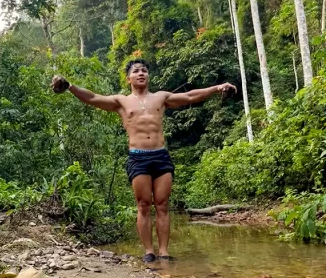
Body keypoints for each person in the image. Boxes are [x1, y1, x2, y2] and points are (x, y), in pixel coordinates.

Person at [51, 59, 237, 262]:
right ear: (128, 78)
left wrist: (217, 88)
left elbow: (190, 96)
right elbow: (94, 98)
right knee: (143, 204)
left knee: (163, 204)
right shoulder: (121, 101)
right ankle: (149, 251)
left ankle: (164, 251)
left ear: (148, 76)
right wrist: (70, 86)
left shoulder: (161, 97)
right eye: (136, 71)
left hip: (160, 155)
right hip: (138, 157)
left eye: (144, 71)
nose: (141, 73)